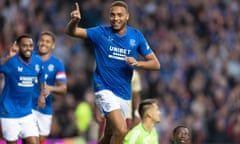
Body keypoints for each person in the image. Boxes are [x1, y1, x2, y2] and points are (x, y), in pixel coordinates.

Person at [65, 1, 160, 143]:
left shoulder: (136, 36)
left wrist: (138, 63)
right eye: (112, 15)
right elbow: (71, 32)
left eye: (120, 15)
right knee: (121, 130)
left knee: (109, 134)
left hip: (124, 94)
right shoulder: (100, 33)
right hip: (104, 89)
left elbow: (155, 64)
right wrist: (74, 22)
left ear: (127, 16)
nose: (116, 18)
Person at [0, 34, 46, 144]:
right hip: (9, 112)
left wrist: (42, 95)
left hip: (26, 112)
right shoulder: (11, 62)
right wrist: (8, 57)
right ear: (19, 47)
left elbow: (41, 76)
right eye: (24, 46)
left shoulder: (37, 61)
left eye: (30, 45)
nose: (28, 48)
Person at [31, 31, 67, 144]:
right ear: (37, 42)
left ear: (53, 45)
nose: (44, 43)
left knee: (41, 139)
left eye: (47, 41)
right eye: (41, 40)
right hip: (27, 106)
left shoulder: (57, 64)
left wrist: (51, 88)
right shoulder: (29, 59)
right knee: (31, 139)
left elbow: (63, 88)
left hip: (45, 108)